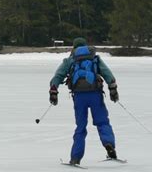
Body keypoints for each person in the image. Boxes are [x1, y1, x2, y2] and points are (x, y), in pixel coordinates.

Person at [49, 37, 120, 165]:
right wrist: (113, 89)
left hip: (79, 97)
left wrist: (53, 91)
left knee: (80, 127)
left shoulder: (70, 60)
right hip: (95, 95)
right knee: (102, 122)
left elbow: (58, 76)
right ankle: (109, 144)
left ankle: (75, 158)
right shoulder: (94, 58)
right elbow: (108, 74)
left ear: (74, 47)